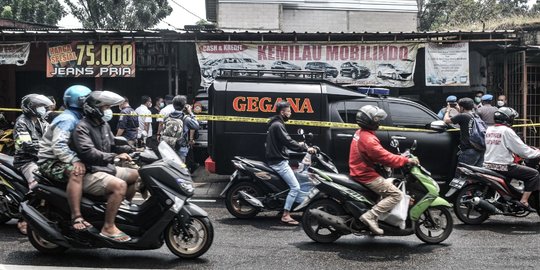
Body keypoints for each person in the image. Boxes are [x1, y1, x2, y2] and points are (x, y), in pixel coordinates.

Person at [73, 91, 139, 242]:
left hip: (105, 168)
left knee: (136, 174)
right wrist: (114, 156)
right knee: (120, 185)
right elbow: (88, 153)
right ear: (93, 108)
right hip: (91, 171)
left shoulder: (103, 125)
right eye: (106, 107)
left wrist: (134, 150)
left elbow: (113, 144)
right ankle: (108, 227)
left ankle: (120, 212)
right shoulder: (82, 127)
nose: (109, 110)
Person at [349, 105, 418, 235]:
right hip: (366, 174)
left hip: (360, 169)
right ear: (369, 121)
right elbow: (385, 157)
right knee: (396, 195)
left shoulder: (361, 133)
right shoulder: (368, 140)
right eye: (376, 119)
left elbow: (379, 154)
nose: (378, 122)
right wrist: (405, 160)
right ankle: (370, 216)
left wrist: (399, 157)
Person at [38, 85, 92, 232]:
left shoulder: (80, 117)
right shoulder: (67, 119)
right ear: (81, 102)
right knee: (77, 172)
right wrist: (74, 160)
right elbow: (59, 146)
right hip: (50, 161)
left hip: (62, 158)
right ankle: (76, 215)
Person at [266, 101, 316, 225]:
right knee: (295, 187)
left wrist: (299, 144)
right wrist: (305, 148)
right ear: (282, 112)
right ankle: (286, 214)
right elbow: (287, 141)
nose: (290, 113)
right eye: (289, 111)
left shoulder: (276, 124)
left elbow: (284, 141)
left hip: (277, 159)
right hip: (279, 162)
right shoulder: (278, 125)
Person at [484, 107, 539, 212]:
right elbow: (522, 150)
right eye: (512, 118)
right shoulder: (506, 131)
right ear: (507, 118)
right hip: (504, 166)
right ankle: (524, 200)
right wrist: (536, 153)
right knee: (534, 174)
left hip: (488, 164)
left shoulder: (489, 129)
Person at [13, 94, 53, 234]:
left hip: (43, 159)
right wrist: (47, 148)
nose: (42, 109)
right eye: (38, 106)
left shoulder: (43, 122)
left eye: (43, 106)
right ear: (30, 107)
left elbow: (54, 137)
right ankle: (23, 218)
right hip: (26, 161)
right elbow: (25, 144)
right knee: (36, 185)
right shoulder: (22, 122)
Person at [443, 98, 484, 167]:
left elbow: (446, 120)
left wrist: (447, 111)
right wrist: (459, 109)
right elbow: (462, 117)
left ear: (462, 107)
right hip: (479, 150)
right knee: (475, 175)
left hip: (469, 151)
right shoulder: (475, 115)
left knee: (461, 175)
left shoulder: (463, 116)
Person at [160, 95, 199, 163]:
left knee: (170, 167)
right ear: (184, 106)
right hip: (181, 147)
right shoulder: (186, 118)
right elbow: (196, 125)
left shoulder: (167, 116)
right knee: (180, 168)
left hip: (169, 146)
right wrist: (190, 112)